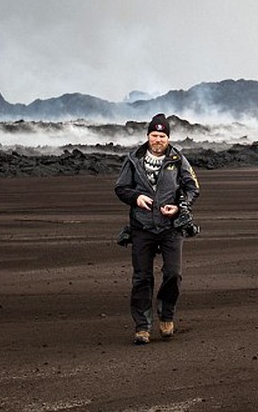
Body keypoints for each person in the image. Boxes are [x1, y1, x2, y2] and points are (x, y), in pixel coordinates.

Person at [114, 112, 201, 345]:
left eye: (162, 135)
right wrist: (136, 198)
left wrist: (180, 206)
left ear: (168, 138)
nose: (158, 139)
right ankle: (142, 327)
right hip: (141, 227)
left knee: (173, 274)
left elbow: (193, 188)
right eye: (154, 135)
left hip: (171, 227)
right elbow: (121, 188)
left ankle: (167, 316)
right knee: (141, 278)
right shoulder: (133, 159)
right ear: (148, 136)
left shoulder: (178, 159)